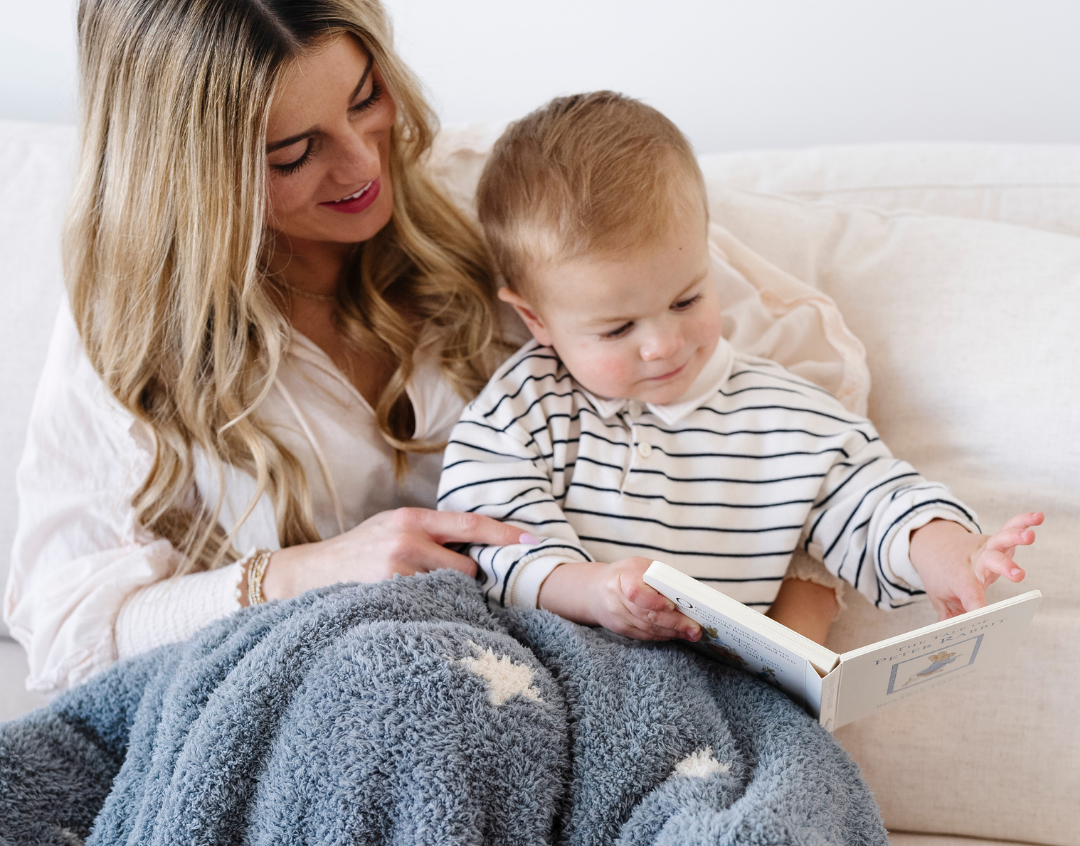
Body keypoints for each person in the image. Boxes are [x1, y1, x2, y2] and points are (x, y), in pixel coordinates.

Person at [3, 0, 540, 696]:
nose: (360, 162)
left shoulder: (489, 196)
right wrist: (297, 574)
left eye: (366, 97)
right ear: (192, 177)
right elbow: (67, 632)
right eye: (293, 152)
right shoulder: (133, 327)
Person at [437, 92, 1042, 644]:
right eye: (618, 329)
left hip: (712, 703)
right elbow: (492, 549)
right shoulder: (517, 414)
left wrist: (952, 552)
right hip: (554, 671)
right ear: (536, 318)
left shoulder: (786, 416)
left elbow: (873, 502)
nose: (663, 345)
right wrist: (593, 591)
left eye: (686, 300)